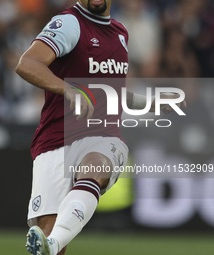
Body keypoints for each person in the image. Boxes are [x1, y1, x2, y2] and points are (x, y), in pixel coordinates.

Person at [16, 1, 186, 255]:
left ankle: (51, 242)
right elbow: (27, 64)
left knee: (95, 165)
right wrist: (68, 89)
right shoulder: (69, 24)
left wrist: (153, 102)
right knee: (52, 242)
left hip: (101, 134)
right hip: (54, 140)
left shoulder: (120, 34)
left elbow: (114, 92)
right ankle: (52, 244)